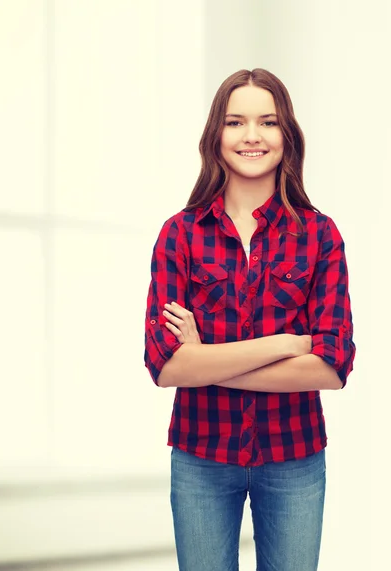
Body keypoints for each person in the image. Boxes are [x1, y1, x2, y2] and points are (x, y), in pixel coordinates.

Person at [144, 68, 356, 571]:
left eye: (269, 121)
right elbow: (166, 367)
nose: (253, 136)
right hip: (201, 457)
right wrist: (287, 342)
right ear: (216, 135)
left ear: (288, 136)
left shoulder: (320, 236)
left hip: (294, 457)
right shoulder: (180, 235)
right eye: (236, 122)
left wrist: (206, 362)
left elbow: (332, 368)